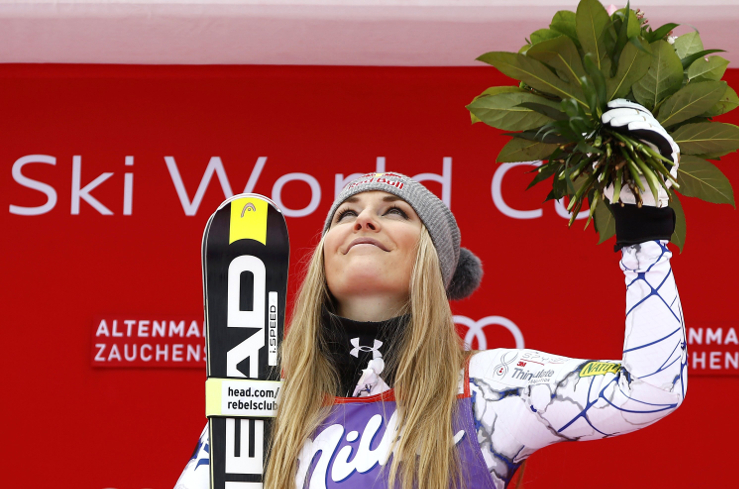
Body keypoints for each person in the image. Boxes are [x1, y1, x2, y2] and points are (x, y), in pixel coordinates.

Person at [175, 99, 687, 489]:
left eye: (395, 211)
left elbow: (649, 389)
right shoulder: (263, 404)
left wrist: (644, 235)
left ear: (435, 262)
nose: (365, 218)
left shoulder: (487, 389)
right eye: (345, 214)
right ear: (323, 254)